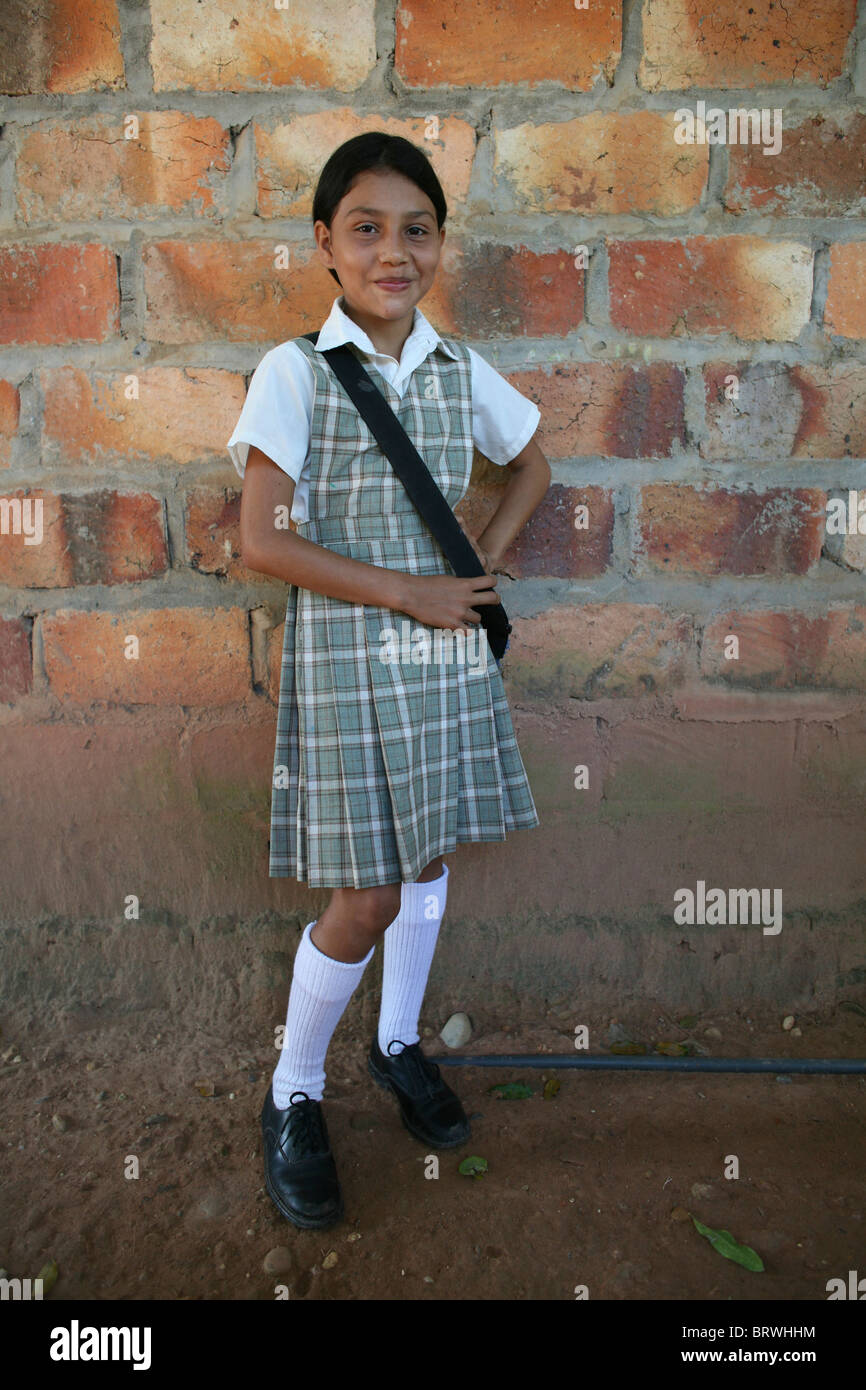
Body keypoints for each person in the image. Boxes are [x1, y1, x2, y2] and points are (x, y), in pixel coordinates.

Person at [227, 132, 551, 1231]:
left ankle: (398, 1043)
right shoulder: (297, 372)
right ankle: (292, 1092)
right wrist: (408, 592)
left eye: (416, 229)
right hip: (351, 664)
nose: (392, 250)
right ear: (325, 244)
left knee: (426, 856)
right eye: (365, 228)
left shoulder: (459, 369)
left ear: (439, 247)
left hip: (440, 665)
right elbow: (262, 539)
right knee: (362, 893)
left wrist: (487, 556)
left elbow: (533, 459)